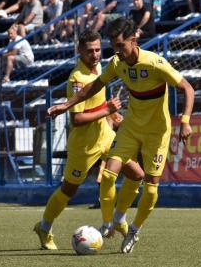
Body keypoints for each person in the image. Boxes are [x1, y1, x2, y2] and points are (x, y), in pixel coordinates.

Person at [47, 18, 195, 253]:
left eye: (120, 46)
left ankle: (134, 230)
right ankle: (109, 223)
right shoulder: (118, 63)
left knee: (151, 188)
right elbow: (93, 86)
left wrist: (185, 122)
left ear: (133, 41)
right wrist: (67, 105)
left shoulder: (155, 63)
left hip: (157, 133)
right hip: (131, 129)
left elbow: (188, 88)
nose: (116, 52)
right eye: (113, 47)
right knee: (107, 175)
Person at [33, 30, 144, 250]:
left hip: (106, 136)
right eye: (89, 51)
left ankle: (116, 219)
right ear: (79, 51)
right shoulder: (77, 78)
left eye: (97, 50)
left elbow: (100, 102)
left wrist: (112, 115)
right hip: (83, 145)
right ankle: (44, 226)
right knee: (69, 190)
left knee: (137, 174)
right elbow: (77, 119)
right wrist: (107, 110)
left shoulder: (102, 67)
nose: (95, 55)